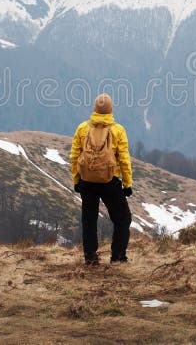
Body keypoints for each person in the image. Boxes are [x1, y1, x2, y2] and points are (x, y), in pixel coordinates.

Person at [70, 93, 133, 265]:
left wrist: (77, 180)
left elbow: (75, 156)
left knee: (89, 220)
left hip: (87, 182)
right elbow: (124, 160)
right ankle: (118, 256)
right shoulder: (117, 130)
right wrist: (127, 184)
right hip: (109, 182)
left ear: (95, 109)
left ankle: (90, 257)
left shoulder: (83, 128)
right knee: (123, 218)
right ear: (111, 110)